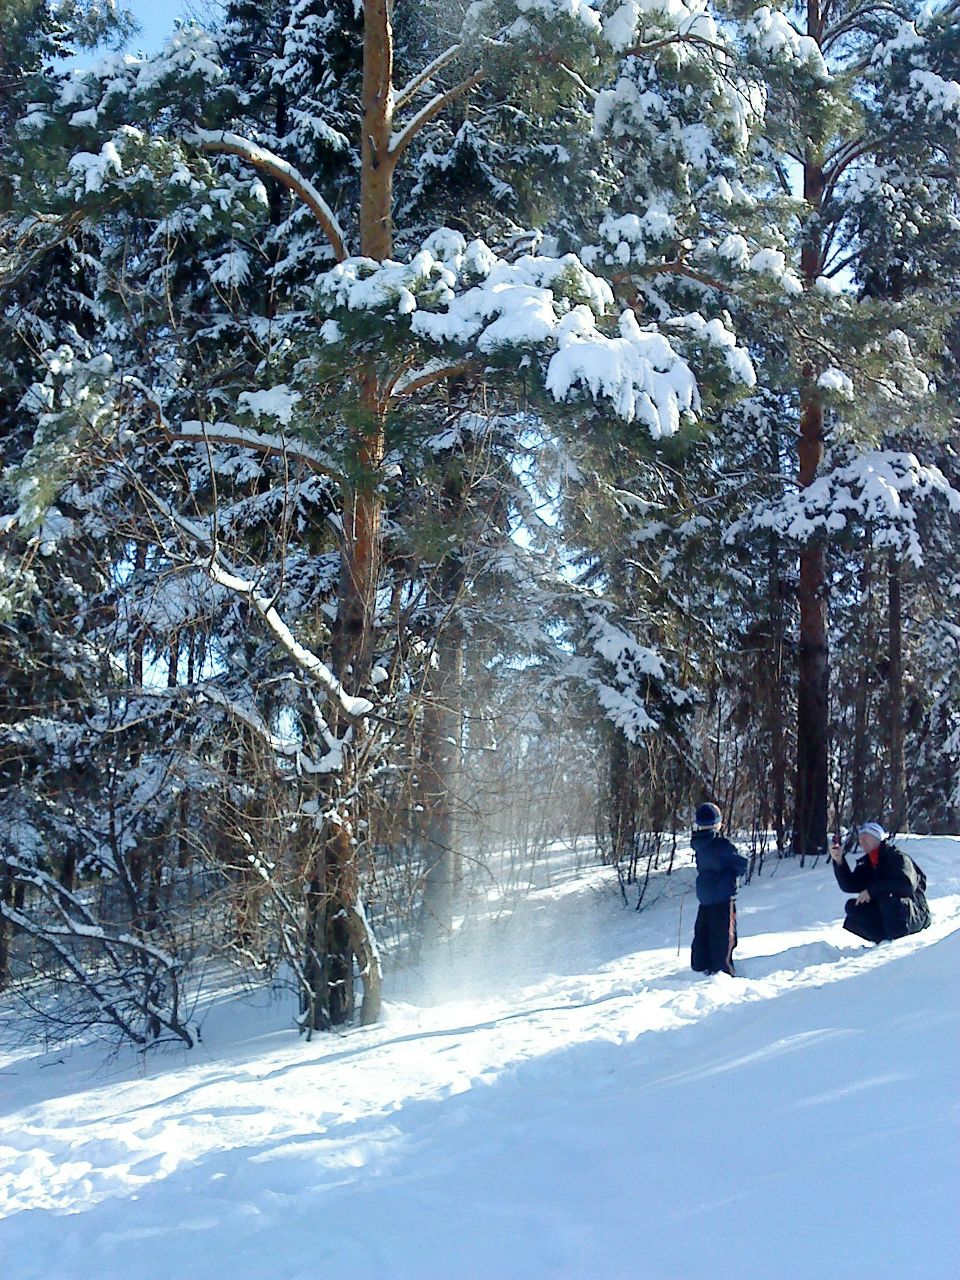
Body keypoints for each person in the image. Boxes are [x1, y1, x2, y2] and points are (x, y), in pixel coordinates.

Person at [830, 822, 931, 943]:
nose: (862, 840)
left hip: (914, 914)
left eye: (866, 836)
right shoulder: (867, 863)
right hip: (889, 914)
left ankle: (896, 940)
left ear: (878, 838)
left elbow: (906, 886)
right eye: (860, 837)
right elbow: (850, 885)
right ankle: (882, 940)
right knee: (853, 906)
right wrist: (839, 861)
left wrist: (872, 891)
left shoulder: (897, 858)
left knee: (887, 897)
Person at [690, 803, 749, 976]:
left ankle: (700, 964)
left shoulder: (699, 845)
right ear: (717, 823)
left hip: (705, 896)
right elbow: (741, 864)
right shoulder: (721, 845)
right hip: (723, 896)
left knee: (703, 930)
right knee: (723, 934)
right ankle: (723, 970)